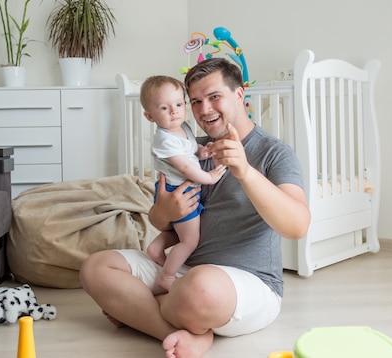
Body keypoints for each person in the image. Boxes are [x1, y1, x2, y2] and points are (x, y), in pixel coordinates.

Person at [79, 58, 311, 358]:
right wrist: (167, 211)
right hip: (185, 270)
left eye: (214, 97)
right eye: (196, 101)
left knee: (199, 288)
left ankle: (141, 310)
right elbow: (160, 221)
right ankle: (189, 333)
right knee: (95, 268)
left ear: (239, 95)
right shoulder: (187, 147)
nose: (204, 110)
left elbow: (298, 226)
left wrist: (246, 172)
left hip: (246, 284)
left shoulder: (274, 153)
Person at [139, 75, 226, 293]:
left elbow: (191, 147)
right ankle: (166, 277)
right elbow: (186, 168)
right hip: (178, 191)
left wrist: (201, 151)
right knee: (190, 240)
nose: (174, 111)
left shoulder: (182, 127)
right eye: (165, 108)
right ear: (150, 116)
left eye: (178, 104)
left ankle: (155, 248)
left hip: (184, 190)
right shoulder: (164, 140)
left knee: (181, 233)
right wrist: (210, 177)